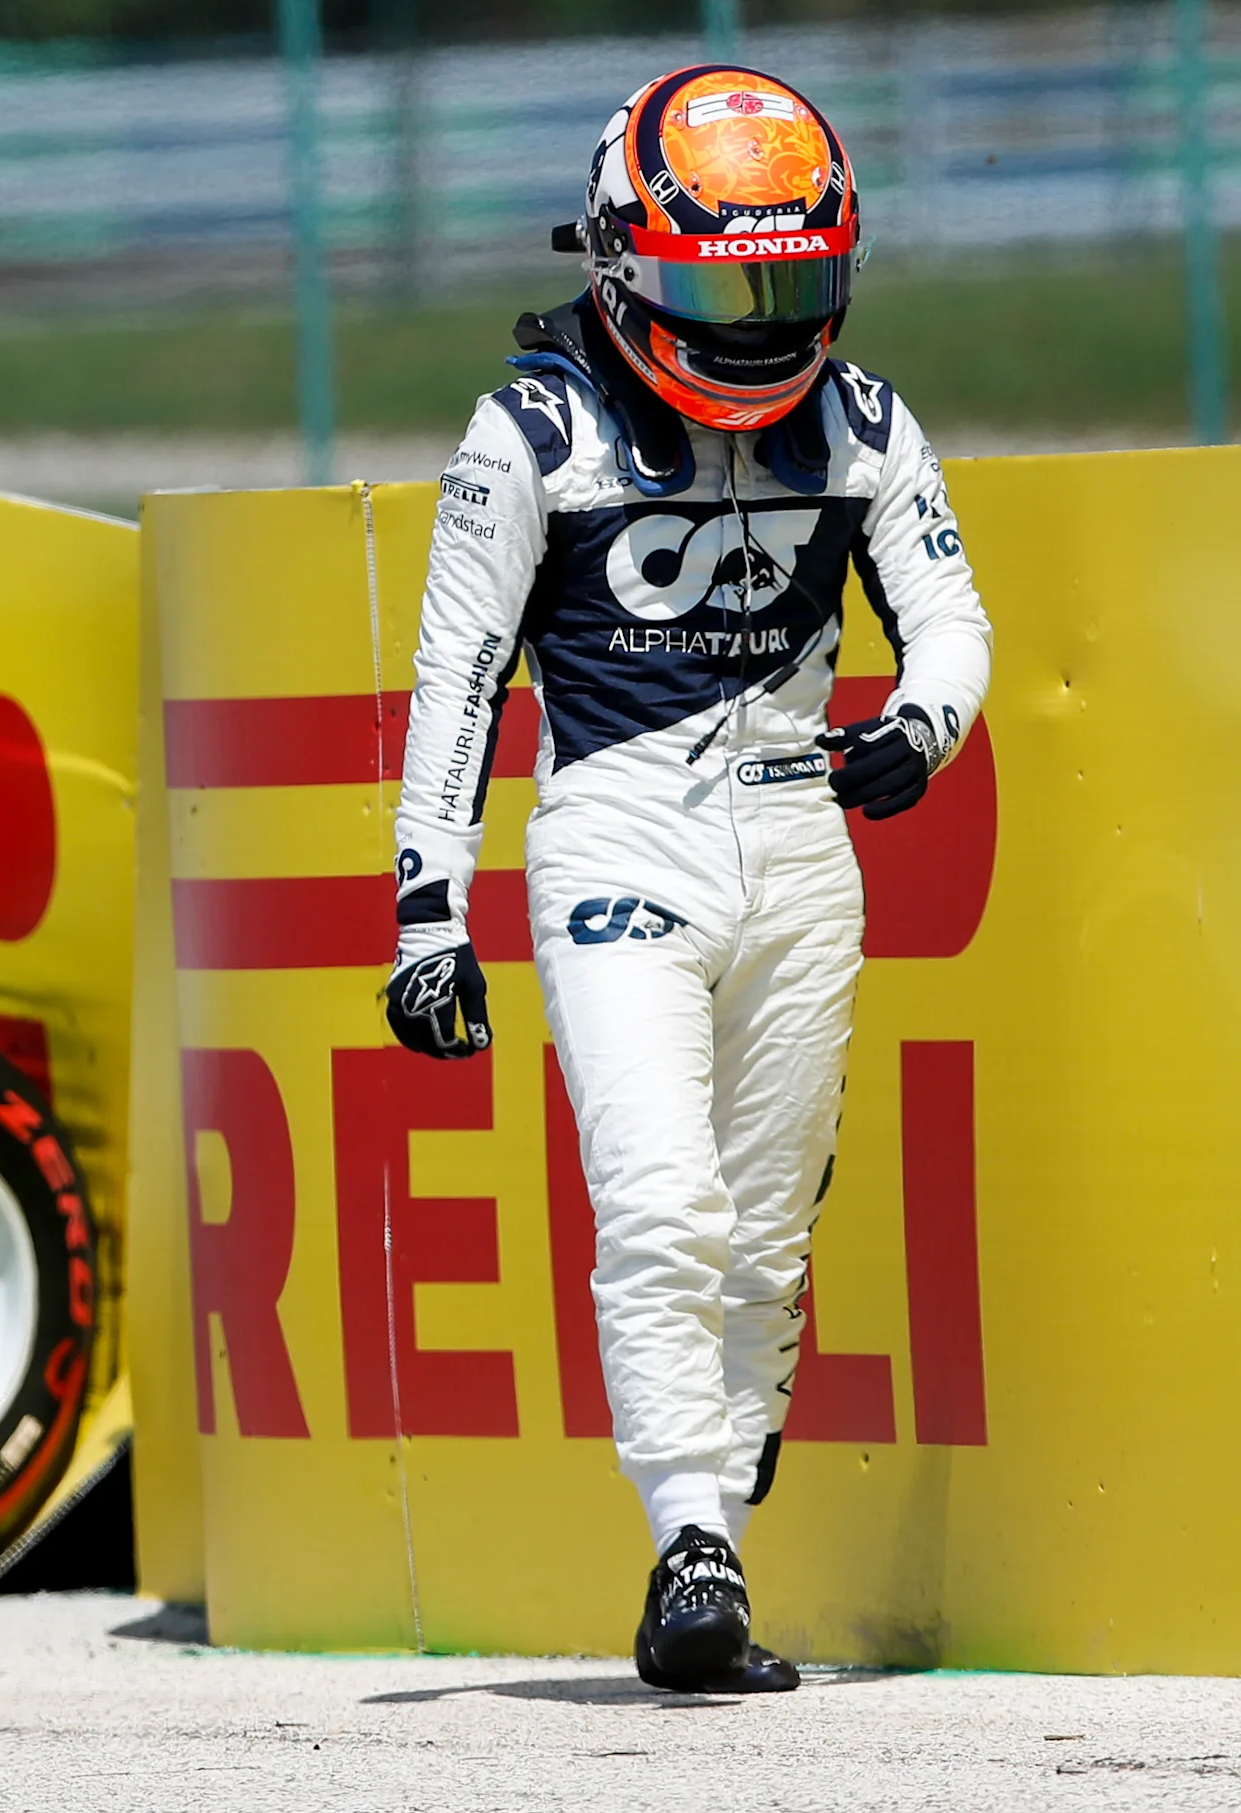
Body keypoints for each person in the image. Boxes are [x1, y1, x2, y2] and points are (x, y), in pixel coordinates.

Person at [381, 65, 992, 1695]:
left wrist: (920, 729)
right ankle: (692, 1549)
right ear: (624, 262)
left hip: (802, 844)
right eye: (727, 282)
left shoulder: (865, 421)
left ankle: (718, 1473)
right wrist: (425, 911)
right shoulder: (530, 428)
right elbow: (460, 679)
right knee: (663, 1206)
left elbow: (952, 621)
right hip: (615, 836)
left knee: (771, 1233)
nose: (759, 318)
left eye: (791, 281)